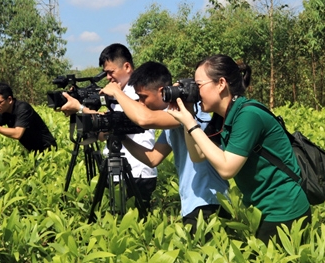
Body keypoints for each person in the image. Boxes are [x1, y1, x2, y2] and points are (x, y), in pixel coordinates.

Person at [168, 54, 311, 245]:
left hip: (283, 209)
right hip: (261, 210)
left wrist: (192, 125)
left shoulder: (247, 115)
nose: (195, 91)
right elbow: (197, 155)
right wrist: (188, 118)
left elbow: (227, 169)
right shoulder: (223, 117)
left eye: (198, 85)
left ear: (221, 83)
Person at [99, 61, 230, 236]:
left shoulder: (189, 110)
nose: (142, 103)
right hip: (194, 205)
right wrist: (120, 137)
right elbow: (153, 158)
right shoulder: (174, 117)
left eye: (143, 97)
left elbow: (144, 119)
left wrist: (117, 92)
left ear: (162, 92)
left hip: (209, 203)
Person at [60, 43, 157, 211]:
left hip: (135, 172)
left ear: (127, 67)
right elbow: (105, 130)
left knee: (133, 227)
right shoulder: (120, 92)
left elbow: (117, 122)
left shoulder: (137, 92)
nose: (108, 78)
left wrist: (80, 109)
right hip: (118, 168)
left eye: (111, 72)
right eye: (105, 73)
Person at [0, 82, 57, 154]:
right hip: (32, 151)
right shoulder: (2, 111)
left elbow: (17, 134)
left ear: (9, 99)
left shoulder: (23, 108)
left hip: (48, 149)